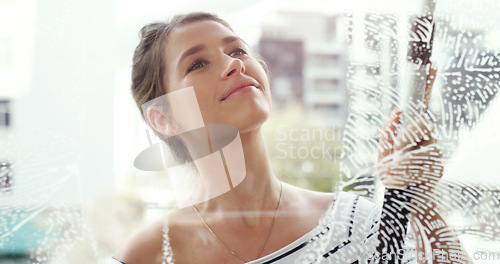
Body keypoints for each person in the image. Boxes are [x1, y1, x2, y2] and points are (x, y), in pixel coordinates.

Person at [113, 12, 470, 264]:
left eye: (237, 50)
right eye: (197, 64)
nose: (234, 64)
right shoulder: (148, 256)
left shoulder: (352, 225)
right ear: (164, 118)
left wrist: (421, 197)